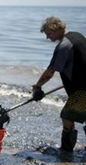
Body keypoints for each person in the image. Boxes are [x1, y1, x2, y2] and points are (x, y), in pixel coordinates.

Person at [32, 17, 86, 152]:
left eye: (48, 34)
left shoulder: (64, 46)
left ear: (56, 29)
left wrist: (37, 87)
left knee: (67, 116)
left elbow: (50, 72)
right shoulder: (78, 36)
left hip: (82, 90)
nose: (47, 38)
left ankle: (66, 151)